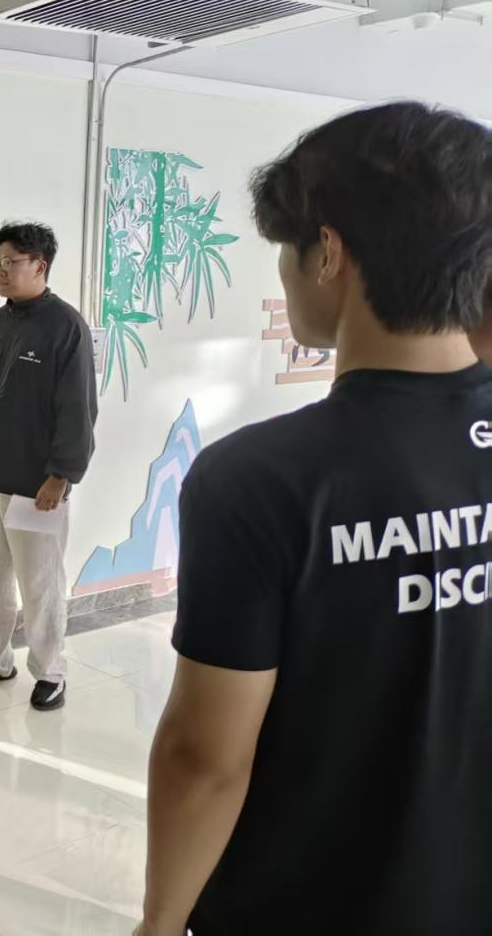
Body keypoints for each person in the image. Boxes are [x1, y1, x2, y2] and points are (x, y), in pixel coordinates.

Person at [137, 102, 492, 935]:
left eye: (286, 250)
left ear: (328, 252)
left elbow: (206, 758)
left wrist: (158, 925)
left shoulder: (259, 481)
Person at [0, 221, 98, 710]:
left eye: (11, 262)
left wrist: (61, 475)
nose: (1, 271)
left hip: (35, 488)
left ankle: (50, 671)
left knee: (40, 585)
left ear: (40, 265)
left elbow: (78, 410)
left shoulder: (66, 328)